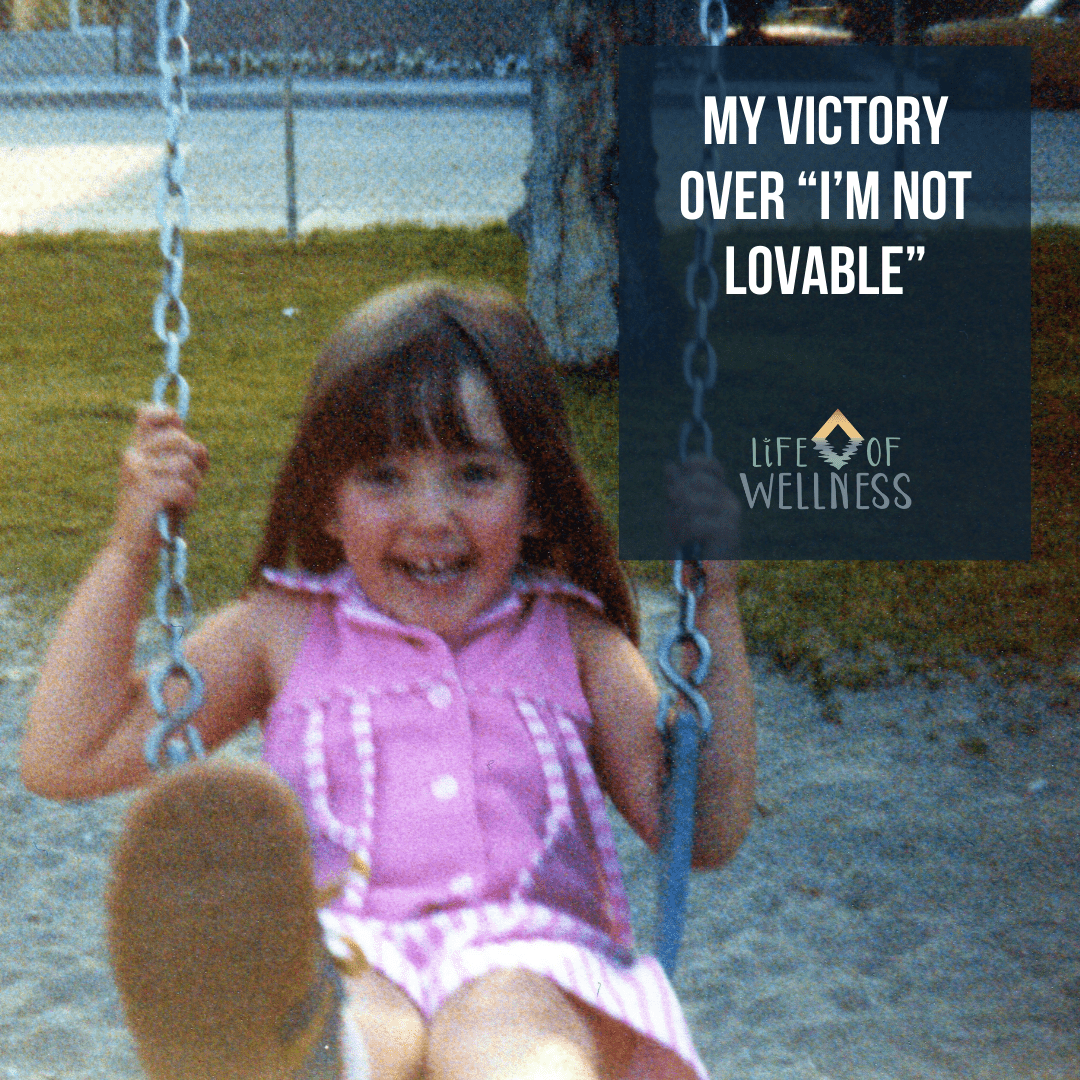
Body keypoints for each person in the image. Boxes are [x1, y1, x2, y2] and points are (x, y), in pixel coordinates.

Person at [21, 281, 756, 1080]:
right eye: (383, 477)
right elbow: (69, 755)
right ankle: (291, 1062)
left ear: (538, 500)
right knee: (353, 1018)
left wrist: (712, 602)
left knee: (505, 1022)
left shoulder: (574, 639)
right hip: (347, 956)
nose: (430, 515)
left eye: (474, 474)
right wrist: (130, 554)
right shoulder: (283, 630)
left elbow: (702, 830)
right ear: (328, 504)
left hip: (534, 960)